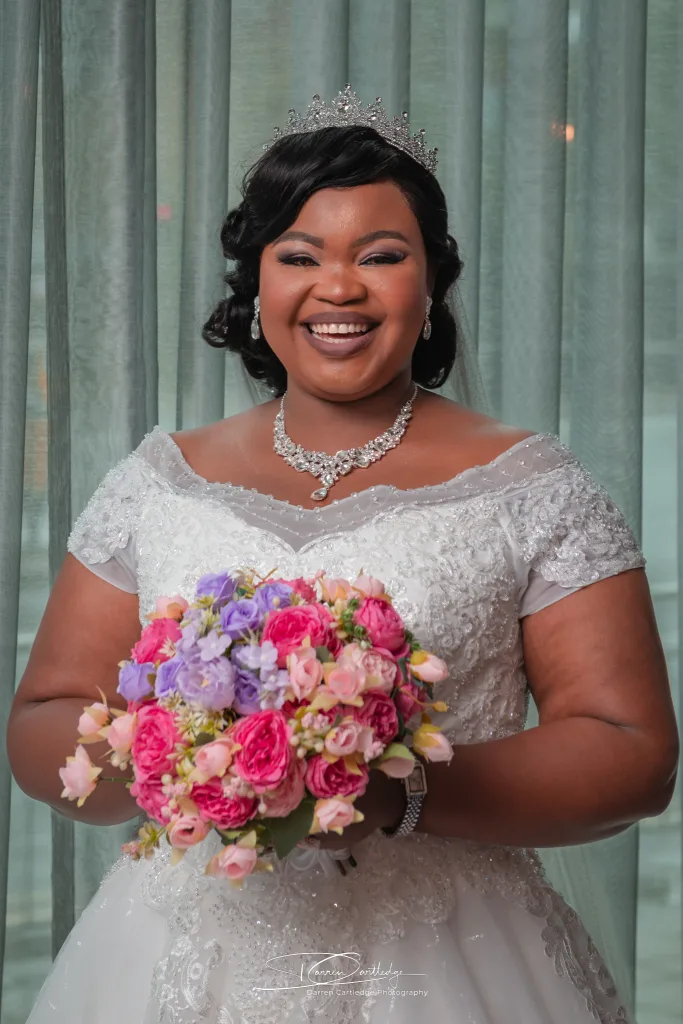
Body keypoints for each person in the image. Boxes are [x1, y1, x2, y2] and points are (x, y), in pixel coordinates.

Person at [9, 88, 678, 1024]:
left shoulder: (532, 485)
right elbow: (44, 715)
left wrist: (394, 791)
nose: (338, 287)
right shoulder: (159, 481)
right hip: (178, 957)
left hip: (452, 958)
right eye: (299, 256)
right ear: (257, 283)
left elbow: (633, 754)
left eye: (380, 256)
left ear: (432, 281)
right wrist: (184, 767)